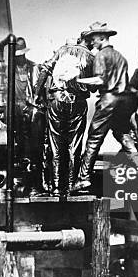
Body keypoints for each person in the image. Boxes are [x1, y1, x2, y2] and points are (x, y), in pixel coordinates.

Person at [74, 22, 138, 194]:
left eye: (93, 38)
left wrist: (77, 80)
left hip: (109, 100)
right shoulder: (120, 56)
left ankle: (83, 179)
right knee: (123, 134)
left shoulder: (101, 56)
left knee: (94, 139)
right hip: (124, 101)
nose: (91, 42)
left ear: (102, 38)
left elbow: (100, 81)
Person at [35, 34, 94, 196]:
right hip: (78, 102)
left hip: (57, 100)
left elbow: (45, 70)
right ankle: (69, 186)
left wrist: (36, 94)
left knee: (55, 144)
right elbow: (95, 86)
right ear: (88, 42)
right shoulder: (91, 57)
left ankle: (55, 187)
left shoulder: (62, 50)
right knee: (74, 145)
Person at [12, 37, 43, 179]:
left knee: (32, 135)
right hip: (13, 106)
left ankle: (32, 163)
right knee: (17, 136)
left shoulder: (33, 67)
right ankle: (20, 161)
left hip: (29, 106)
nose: (19, 58)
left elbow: (38, 88)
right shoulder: (9, 69)